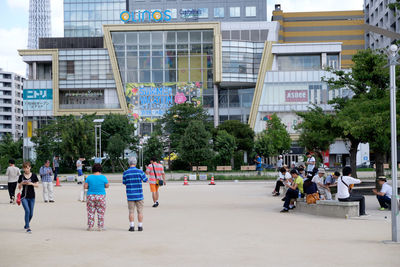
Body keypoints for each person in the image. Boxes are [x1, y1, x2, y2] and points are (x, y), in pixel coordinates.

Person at [123, 157, 148, 232]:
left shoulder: (125, 172)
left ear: (129, 163)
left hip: (130, 195)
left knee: (131, 211)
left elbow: (124, 183)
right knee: (140, 211)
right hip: (139, 194)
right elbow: (145, 180)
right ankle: (140, 226)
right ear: (136, 163)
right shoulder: (140, 172)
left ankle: (132, 226)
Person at [84, 163, 109, 231]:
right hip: (101, 196)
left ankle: (90, 226)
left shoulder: (89, 177)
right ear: (100, 169)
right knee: (101, 212)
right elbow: (107, 186)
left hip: (91, 196)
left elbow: (85, 186)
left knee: (91, 211)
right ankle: (100, 226)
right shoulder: (103, 177)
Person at [17, 162, 39, 233]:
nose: (26, 169)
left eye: (27, 167)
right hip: (24, 197)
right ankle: (28, 227)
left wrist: (31, 183)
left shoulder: (34, 175)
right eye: (24, 168)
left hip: (32, 196)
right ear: (23, 169)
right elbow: (19, 187)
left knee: (31, 213)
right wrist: (21, 183)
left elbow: (37, 185)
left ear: (30, 167)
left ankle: (26, 224)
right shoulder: (21, 176)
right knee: (27, 211)